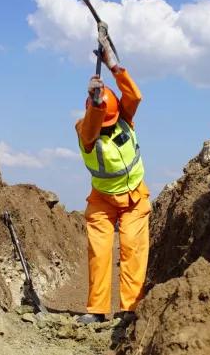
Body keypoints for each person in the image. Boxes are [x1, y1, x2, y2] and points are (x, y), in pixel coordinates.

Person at [75, 35, 151, 325]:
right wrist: (95, 105)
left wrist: (114, 66)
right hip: (102, 201)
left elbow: (135, 96)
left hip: (134, 197)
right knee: (100, 251)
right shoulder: (85, 129)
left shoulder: (124, 118)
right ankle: (96, 311)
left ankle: (130, 309)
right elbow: (92, 131)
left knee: (132, 248)